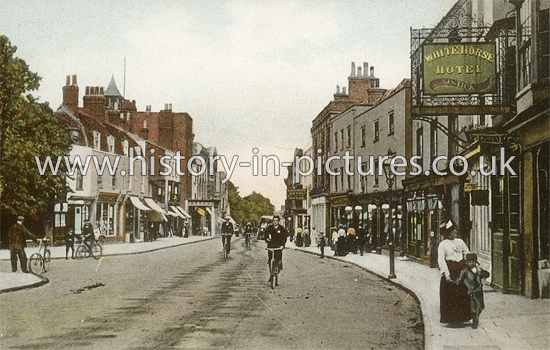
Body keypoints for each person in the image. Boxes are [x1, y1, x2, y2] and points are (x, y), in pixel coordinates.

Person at [438, 219, 472, 324]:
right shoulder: (443, 244)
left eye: (455, 229)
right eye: (453, 230)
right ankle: (451, 319)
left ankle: (463, 318)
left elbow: (467, 253)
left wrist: (473, 261)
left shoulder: (460, 242)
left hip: (460, 271)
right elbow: (441, 260)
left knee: (463, 294)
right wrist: (446, 274)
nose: (455, 231)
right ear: (448, 233)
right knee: (450, 295)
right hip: (450, 272)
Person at [453, 252, 490, 329]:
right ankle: (474, 320)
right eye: (469, 262)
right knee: (473, 306)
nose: (471, 263)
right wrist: (454, 281)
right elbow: (459, 280)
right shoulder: (465, 271)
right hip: (471, 291)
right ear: (467, 262)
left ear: (476, 261)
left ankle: (477, 315)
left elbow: (487, 274)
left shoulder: (478, 269)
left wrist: (482, 272)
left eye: (473, 261)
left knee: (480, 306)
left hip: (479, 291)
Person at [264, 215, 288, 281]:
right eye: (274, 220)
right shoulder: (270, 227)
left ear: (278, 221)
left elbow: (284, 237)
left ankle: (277, 271)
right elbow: (265, 235)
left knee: (278, 260)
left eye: (276, 221)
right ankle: (271, 274)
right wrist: (267, 240)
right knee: (270, 259)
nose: (275, 222)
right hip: (271, 245)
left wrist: (283, 245)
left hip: (278, 246)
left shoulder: (281, 228)